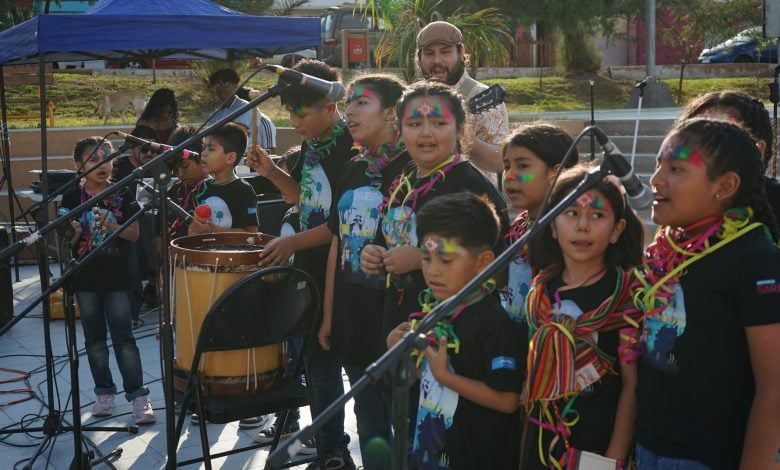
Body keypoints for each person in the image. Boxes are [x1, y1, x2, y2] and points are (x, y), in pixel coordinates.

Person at [632, 118, 780, 469]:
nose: (656, 180)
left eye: (676, 169)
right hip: (650, 446)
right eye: (658, 165)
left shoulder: (753, 257)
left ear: (724, 185)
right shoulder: (671, 249)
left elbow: (775, 387)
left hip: (708, 457)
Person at [245, 59, 356, 469]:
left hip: (341, 270)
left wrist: (291, 241)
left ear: (330, 105)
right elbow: (302, 199)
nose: (294, 122)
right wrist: (272, 171)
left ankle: (337, 449)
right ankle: (330, 447)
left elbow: (339, 223)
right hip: (311, 266)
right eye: (290, 113)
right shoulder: (313, 142)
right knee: (317, 366)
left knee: (343, 367)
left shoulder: (350, 146)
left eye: (301, 113)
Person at [360, 81, 509, 342]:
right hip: (400, 323)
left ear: (460, 129)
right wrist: (374, 253)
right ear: (400, 129)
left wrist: (422, 259)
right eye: (414, 124)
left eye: (439, 123)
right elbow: (389, 238)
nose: (426, 133)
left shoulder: (470, 186)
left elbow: (499, 271)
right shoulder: (402, 181)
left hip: (455, 333)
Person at [386, 192, 524, 469]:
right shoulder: (435, 308)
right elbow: (424, 378)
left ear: (483, 262)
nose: (433, 271)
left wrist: (445, 376)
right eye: (426, 259)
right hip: (431, 452)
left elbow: (508, 400)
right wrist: (397, 350)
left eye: (446, 260)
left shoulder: (493, 323)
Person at [313, 73, 409, 468]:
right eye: (349, 102)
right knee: (369, 420)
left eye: (361, 102)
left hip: (394, 319)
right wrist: (329, 316)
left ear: (391, 113)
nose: (349, 111)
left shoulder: (413, 169)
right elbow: (337, 244)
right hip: (352, 317)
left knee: (405, 424)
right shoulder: (351, 168)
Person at [520, 164, 644, 469]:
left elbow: (632, 385)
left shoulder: (626, 295)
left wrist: (614, 458)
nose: (583, 226)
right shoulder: (541, 291)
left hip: (597, 443)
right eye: (571, 213)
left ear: (617, 230)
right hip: (541, 436)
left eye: (597, 215)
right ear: (552, 225)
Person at [58, 137, 155, 425]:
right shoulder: (71, 198)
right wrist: (75, 232)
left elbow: (134, 234)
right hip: (86, 279)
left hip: (118, 278)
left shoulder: (123, 192)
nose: (103, 165)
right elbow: (67, 242)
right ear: (79, 166)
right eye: (93, 159)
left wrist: (110, 224)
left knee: (124, 338)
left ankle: (138, 396)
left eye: (107, 158)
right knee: (94, 340)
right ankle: (104, 393)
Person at [500, 123, 578, 325]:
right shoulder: (519, 225)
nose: (509, 176)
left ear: (557, 174)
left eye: (522, 166)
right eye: (507, 166)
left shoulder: (570, 233)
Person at [415, 21, 509, 185]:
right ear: (419, 57)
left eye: (445, 52)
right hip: (418, 194)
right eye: (429, 53)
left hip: (470, 195)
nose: (437, 60)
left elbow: (500, 162)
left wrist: (463, 137)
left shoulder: (479, 95)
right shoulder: (411, 98)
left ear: (461, 53)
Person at [677, 90, 780, 223]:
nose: (700, 151)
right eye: (690, 141)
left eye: (717, 140)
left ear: (758, 149)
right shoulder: (679, 203)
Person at [110, 124, 161, 323]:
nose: (149, 153)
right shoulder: (118, 167)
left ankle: (153, 284)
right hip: (125, 219)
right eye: (145, 149)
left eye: (153, 149)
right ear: (132, 147)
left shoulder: (158, 166)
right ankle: (139, 292)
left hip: (153, 217)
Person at [187, 122, 257, 235]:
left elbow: (251, 234)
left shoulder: (243, 190)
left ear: (230, 158)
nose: (203, 153)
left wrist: (213, 230)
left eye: (211, 149)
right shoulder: (201, 188)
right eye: (204, 147)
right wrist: (193, 231)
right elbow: (192, 229)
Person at [207, 68, 277, 153]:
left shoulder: (245, 108)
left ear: (235, 86)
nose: (221, 88)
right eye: (217, 85)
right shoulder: (216, 112)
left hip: (242, 158)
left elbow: (236, 135)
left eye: (226, 84)